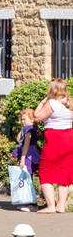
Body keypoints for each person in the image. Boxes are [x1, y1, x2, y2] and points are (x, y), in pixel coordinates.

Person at [35, 80, 73, 214]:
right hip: (69, 138)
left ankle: (51, 206)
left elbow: (37, 117)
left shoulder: (51, 103)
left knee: (45, 171)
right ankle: (61, 206)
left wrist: (41, 103)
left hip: (55, 139)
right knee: (64, 173)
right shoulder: (70, 102)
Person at [13, 108, 42, 211]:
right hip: (28, 154)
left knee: (27, 179)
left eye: (24, 119)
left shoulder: (29, 130)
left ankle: (31, 204)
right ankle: (28, 203)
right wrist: (22, 128)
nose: (22, 121)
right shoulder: (27, 129)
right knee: (27, 179)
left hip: (28, 156)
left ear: (32, 119)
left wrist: (22, 159)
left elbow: (26, 144)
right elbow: (18, 139)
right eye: (21, 119)